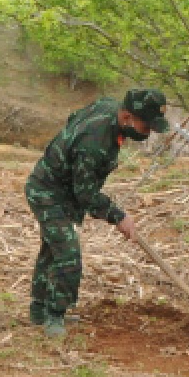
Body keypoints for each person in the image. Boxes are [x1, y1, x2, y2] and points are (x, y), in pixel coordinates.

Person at [26, 88, 170, 338]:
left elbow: (74, 118)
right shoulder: (94, 144)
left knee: (53, 249)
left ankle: (40, 311)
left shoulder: (109, 108)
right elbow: (87, 195)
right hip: (47, 192)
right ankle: (55, 317)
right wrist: (118, 216)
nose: (147, 134)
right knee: (68, 253)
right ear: (127, 117)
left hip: (64, 187)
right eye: (146, 127)